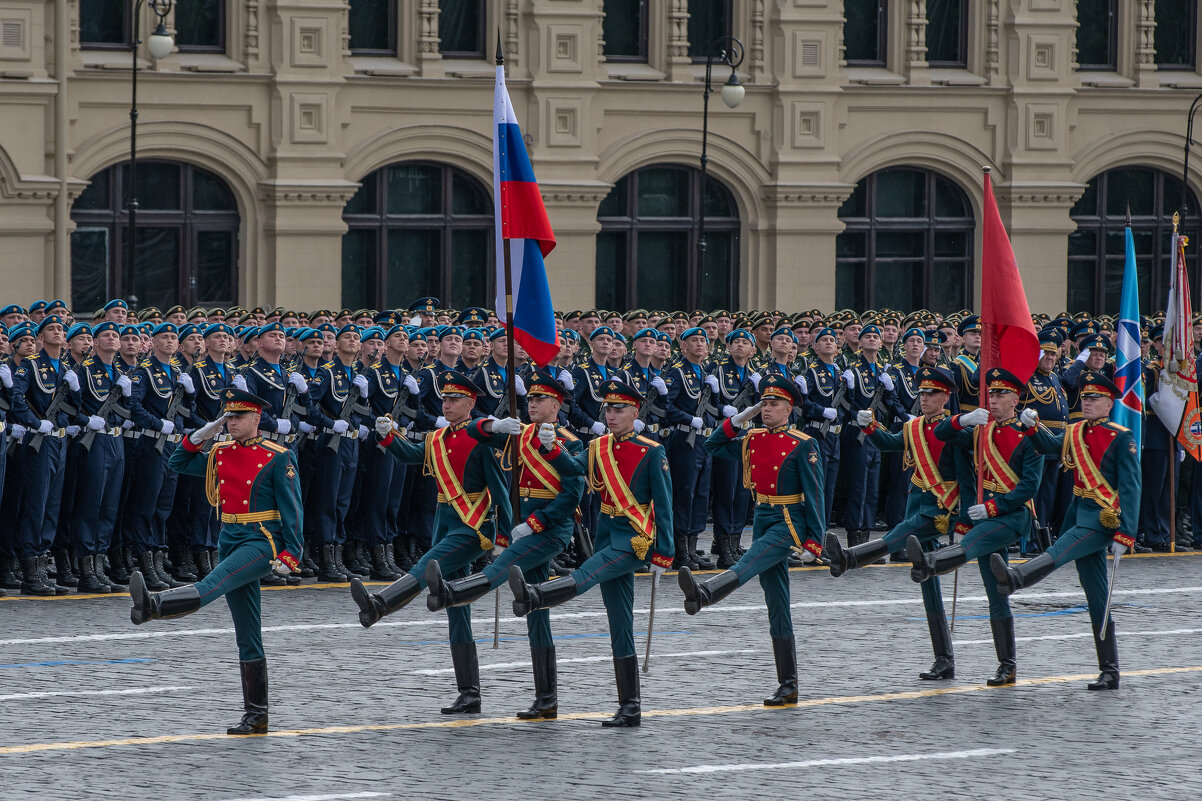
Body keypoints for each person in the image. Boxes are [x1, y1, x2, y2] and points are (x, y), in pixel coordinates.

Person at [131, 388, 303, 735]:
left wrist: (291, 552)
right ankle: (256, 716)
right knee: (247, 633)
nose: (232, 423)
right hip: (229, 537)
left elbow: (293, 509)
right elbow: (177, 462)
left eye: (238, 417)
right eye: (228, 417)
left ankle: (154, 606)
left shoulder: (277, 456)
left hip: (260, 540)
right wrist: (204, 433)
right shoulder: (220, 451)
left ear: (257, 419)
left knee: (214, 584)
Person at [508, 379, 673, 727]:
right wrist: (553, 450)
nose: (611, 415)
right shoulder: (598, 446)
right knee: (619, 624)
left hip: (633, 541)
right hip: (606, 534)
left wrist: (664, 554)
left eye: (618, 410)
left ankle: (535, 596)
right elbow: (572, 469)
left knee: (585, 575)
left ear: (635, 412)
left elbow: (666, 505)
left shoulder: (651, 450)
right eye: (608, 409)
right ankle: (630, 706)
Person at [424, 370, 586, 720]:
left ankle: (452, 592)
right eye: (529, 398)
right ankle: (546, 700)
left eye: (539, 399)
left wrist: (535, 523)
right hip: (521, 526)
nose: (531, 404)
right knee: (536, 614)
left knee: (501, 568)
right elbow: (471, 431)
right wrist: (496, 427)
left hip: (546, 530)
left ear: (555, 405)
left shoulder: (571, 442)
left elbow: (574, 492)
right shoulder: (520, 436)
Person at [348, 370, 511, 714]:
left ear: (471, 404)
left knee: (427, 567)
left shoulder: (481, 438)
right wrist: (388, 437)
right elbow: (411, 455)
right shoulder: (438, 438)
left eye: (454, 400)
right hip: (444, 521)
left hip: (473, 526)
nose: (447, 404)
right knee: (456, 609)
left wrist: (502, 536)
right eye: (445, 399)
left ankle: (380, 604)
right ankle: (469, 693)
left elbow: (500, 489)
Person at [679, 374, 824, 704]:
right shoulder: (753, 438)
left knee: (749, 561)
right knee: (777, 603)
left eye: (774, 404)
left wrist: (814, 540)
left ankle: (705, 594)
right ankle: (788, 685)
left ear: (789, 408)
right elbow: (712, 446)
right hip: (762, 517)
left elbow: (816, 495)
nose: (767, 408)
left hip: (789, 522)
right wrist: (740, 419)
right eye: (764, 403)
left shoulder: (803, 443)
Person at [993, 372, 1139, 690]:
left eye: (1094, 399)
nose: (1086, 403)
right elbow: (1051, 445)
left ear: (1109, 403)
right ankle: (1110, 670)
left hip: (1102, 518)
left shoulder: (1121, 437)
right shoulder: (1074, 432)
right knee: (1096, 595)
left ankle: (1016, 578)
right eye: (1084, 398)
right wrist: (1031, 426)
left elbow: (1131, 488)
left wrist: (1125, 533)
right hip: (1079, 512)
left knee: (1060, 550)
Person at [906, 367, 1042, 686]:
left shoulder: (1027, 434)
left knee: (975, 541)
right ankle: (1007, 665)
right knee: (997, 588)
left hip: (1012, 516)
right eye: (991, 394)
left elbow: (1029, 486)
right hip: (986, 514)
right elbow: (942, 435)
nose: (993, 399)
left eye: (1001, 394)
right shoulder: (981, 432)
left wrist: (992, 506)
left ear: (1016, 399)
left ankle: (929, 563)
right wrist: (963, 420)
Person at [826, 366, 962, 680]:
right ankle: (944, 659)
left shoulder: (954, 428)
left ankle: (849, 558)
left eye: (931, 394)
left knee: (900, 533)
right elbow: (890, 443)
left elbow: (970, 472)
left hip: (941, 508)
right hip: (917, 503)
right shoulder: (914, 427)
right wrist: (871, 427)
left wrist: (964, 514)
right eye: (922, 392)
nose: (924, 398)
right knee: (929, 586)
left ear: (945, 397)